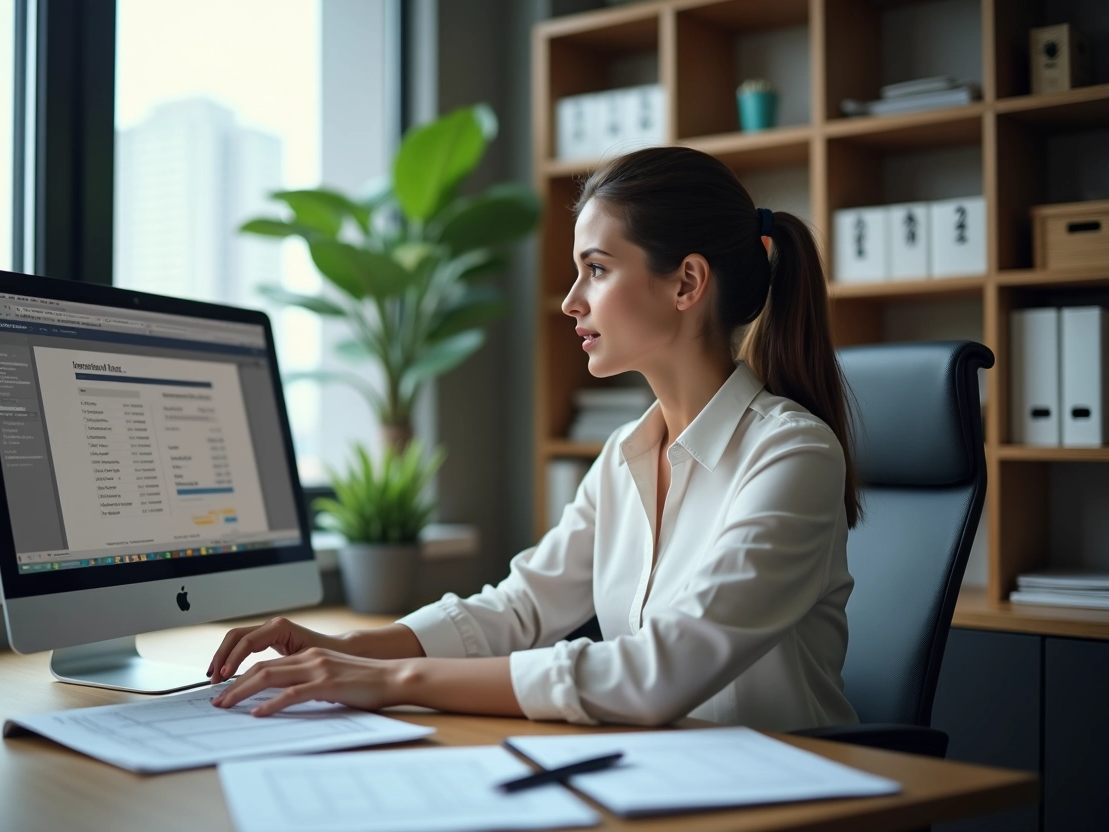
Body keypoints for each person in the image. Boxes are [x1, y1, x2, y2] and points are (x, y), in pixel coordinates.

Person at [208, 146, 862, 731]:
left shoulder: (792, 455)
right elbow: (520, 609)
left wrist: (391, 682)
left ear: (686, 282)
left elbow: (654, 674)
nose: (571, 301)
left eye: (597, 269)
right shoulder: (625, 456)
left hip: (788, 797)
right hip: (663, 783)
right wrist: (339, 649)